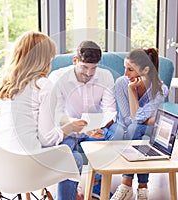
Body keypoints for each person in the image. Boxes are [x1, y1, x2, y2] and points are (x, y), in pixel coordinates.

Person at [0, 30, 87, 200]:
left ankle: (74, 191)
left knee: (70, 142)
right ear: (44, 59)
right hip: (28, 166)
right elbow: (47, 139)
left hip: (0, 165)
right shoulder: (42, 85)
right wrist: (69, 128)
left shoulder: (7, 85)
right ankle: (70, 193)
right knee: (74, 156)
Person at [48, 40, 117, 198]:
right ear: (75, 61)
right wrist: (79, 127)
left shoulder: (105, 76)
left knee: (115, 133)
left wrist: (100, 125)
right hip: (69, 127)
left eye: (93, 68)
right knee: (68, 152)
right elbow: (57, 115)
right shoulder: (58, 77)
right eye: (84, 67)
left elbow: (109, 110)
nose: (89, 73)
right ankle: (69, 194)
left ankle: (97, 185)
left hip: (96, 127)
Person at [110, 48, 169, 200]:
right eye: (125, 68)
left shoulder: (161, 89)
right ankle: (142, 187)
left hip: (142, 132)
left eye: (130, 70)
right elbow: (129, 119)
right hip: (124, 129)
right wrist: (131, 90)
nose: (125, 74)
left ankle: (126, 184)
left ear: (146, 70)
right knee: (138, 129)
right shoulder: (122, 83)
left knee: (142, 130)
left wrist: (148, 119)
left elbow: (137, 118)